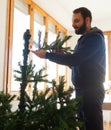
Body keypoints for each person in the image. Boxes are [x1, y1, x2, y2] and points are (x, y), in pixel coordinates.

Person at [31, 7, 106, 130]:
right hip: (81, 90)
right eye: (73, 21)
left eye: (77, 21)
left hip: (91, 91)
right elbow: (76, 64)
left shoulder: (95, 38)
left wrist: (47, 55)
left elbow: (75, 59)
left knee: (92, 127)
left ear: (87, 20)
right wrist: (61, 56)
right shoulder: (83, 40)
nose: (73, 24)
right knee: (82, 126)